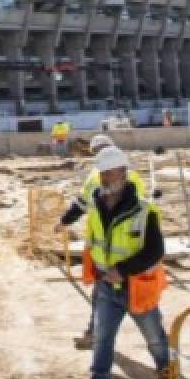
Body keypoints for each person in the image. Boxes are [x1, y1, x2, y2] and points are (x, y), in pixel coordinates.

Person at [79, 146, 169, 379]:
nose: (107, 179)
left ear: (123, 173)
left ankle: (165, 374)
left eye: (111, 172)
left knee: (154, 337)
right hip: (107, 287)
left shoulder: (143, 211)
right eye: (103, 174)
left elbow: (155, 250)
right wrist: (97, 268)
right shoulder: (95, 206)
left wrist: (125, 269)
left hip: (137, 286)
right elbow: (94, 241)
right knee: (103, 339)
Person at [59, 142, 148, 351]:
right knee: (130, 303)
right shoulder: (133, 175)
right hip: (126, 250)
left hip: (111, 249)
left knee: (122, 304)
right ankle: (97, 337)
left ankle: (95, 335)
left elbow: (80, 205)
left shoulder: (96, 177)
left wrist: (64, 222)